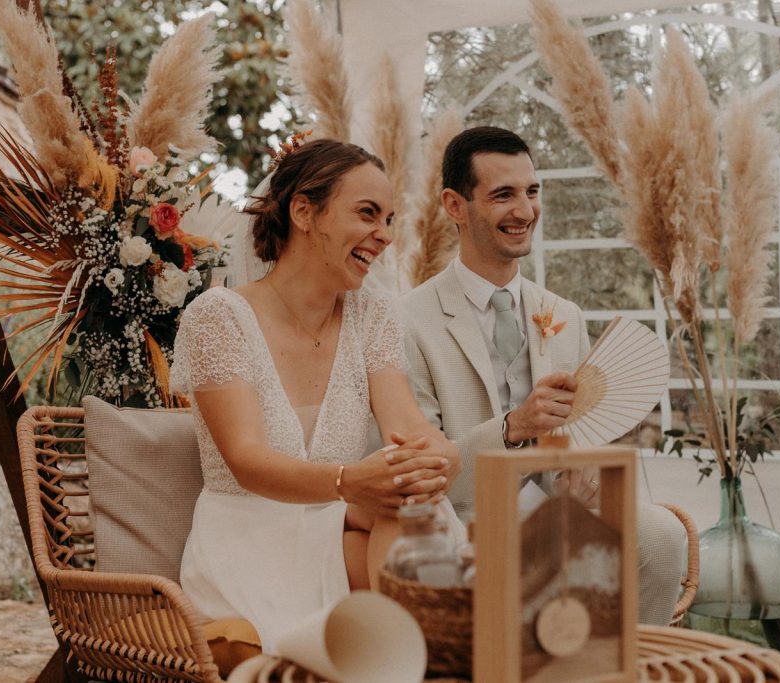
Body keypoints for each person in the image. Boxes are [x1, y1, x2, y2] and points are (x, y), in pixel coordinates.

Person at [170, 138, 465, 652]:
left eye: (391, 219)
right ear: (304, 211)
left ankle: (409, 660)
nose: (385, 236)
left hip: (330, 530)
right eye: (368, 214)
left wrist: (438, 456)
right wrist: (350, 482)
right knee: (404, 516)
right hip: (248, 541)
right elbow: (246, 460)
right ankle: (427, 658)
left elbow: (409, 428)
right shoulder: (218, 317)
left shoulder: (372, 316)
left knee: (410, 498)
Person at [402, 126, 686, 625]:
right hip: (461, 520)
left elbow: (570, 451)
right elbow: (427, 478)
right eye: (503, 195)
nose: (525, 211)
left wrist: (584, 477)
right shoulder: (408, 321)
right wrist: (515, 427)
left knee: (662, 535)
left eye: (532, 192)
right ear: (454, 205)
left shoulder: (564, 315)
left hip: (555, 511)